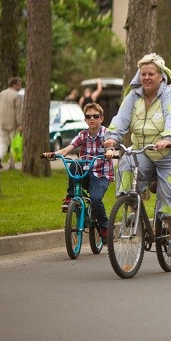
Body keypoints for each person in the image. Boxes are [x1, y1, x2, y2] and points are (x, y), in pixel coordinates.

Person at [103, 53, 171, 257]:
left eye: (151, 74)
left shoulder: (170, 94)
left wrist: (168, 138)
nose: (146, 78)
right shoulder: (133, 96)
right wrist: (112, 137)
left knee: (170, 189)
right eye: (143, 74)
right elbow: (121, 118)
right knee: (125, 166)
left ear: (161, 76)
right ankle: (131, 211)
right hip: (143, 150)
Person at [42, 103, 115, 242]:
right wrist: (52, 154)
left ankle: (105, 227)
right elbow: (66, 150)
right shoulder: (83, 135)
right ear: (85, 119)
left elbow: (110, 146)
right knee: (74, 164)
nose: (92, 119)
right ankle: (71, 197)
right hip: (86, 172)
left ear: (101, 118)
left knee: (95, 199)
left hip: (101, 174)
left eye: (95, 116)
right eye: (88, 116)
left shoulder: (107, 133)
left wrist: (110, 152)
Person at [0, 77, 23, 170]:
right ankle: (12, 164)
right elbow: (18, 111)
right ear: (14, 84)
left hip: (2, 121)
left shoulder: (2, 93)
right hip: (13, 123)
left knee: (2, 141)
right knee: (14, 143)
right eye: (19, 84)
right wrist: (20, 123)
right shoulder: (16, 95)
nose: (20, 86)